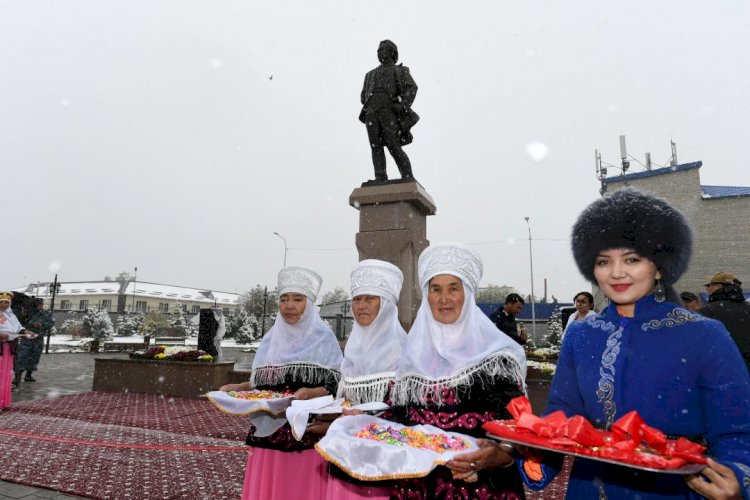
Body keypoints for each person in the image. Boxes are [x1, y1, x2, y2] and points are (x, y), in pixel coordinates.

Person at [520, 188, 750, 499]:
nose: (616, 272)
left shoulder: (705, 334)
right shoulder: (581, 334)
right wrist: (533, 456)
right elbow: (562, 416)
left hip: (673, 488)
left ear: (659, 266)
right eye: (604, 261)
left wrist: (737, 476)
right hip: (589, 488)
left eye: (632, 258)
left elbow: (737, 430)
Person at [388, 242, 527, 499]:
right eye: (435, 289)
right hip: (417, 485)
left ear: (468, 295)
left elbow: (516, 423)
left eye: (454, 288)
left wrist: (501, 452)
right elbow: (401, 418)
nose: (444, 299)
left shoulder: (497, 358)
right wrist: (362, 422)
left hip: (481, 485)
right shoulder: (413, 356)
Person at [219, 266, 344, 500]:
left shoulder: (324, 339)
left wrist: (311, 392)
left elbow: (336, 385)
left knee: (300, 489)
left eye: (297, 299)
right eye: (284, 299)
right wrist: (239, 388)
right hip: (269, 432)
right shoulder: (272, 339)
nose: (289, 305)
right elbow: (263, 381)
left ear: (310, 304)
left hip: (306, 432)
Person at [320, 259, 408, 499]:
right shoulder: (352, 349)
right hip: (346, 454)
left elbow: (409, 412)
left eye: (370, 298)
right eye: (357, 299)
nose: (361, 306)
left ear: (387, 304)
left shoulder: (404, 351)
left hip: (384, 462)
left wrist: (370, 419)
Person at [359, 39, 418, 182]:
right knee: (375, 146)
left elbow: (412, 88)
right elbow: (363, 96)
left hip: (389, 111)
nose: (378, 53)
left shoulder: (400, 71)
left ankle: (407, 176)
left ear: (392, 52)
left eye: (382, 49)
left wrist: (402, 104)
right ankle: (380, 177)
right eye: (378, 50)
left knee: (393, 145)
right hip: (371, 112)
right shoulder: (370, 74)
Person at [699, 272, 750, 373]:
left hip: (722, 370)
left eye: (709, 285)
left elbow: (700, 344)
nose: (707, 289)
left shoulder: (708, 310)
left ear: (718, 286)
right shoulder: (748, 308)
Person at [1, 292, 37, 411]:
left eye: (7, 302)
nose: (4, 304)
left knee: (6, 375)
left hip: (9, 348)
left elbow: (18, 329)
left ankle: (3, 402)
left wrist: (26, 332)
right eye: (1, 302)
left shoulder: (12, 316)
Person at [15, 298, 54, 384]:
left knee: (34, 357)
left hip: (38, 339)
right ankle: (17, 377)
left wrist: (43, 324)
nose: (40, 306)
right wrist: (32, 324)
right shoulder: (28, 313)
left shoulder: (45, 314)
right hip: (26, 339)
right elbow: (20, 323)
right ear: (34, 305)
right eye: (38, 304)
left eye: (41, 304)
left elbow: (51, 323)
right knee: (22, 357)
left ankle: (28, 376)